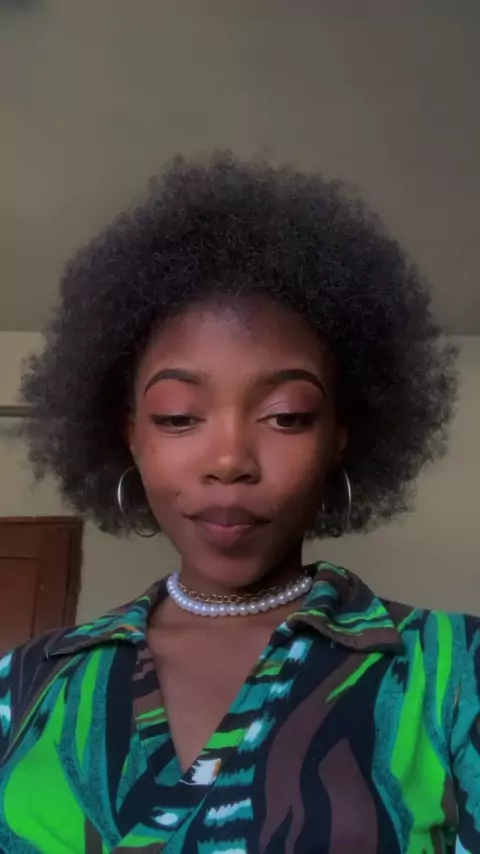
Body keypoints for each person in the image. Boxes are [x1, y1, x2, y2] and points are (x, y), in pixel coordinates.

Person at [0, 153, 477, 854]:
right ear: (130, 435)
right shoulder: (26, 685)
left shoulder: (454, 674)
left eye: (286, 415)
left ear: (339, 436)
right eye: (177, 416)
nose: (229, 460)